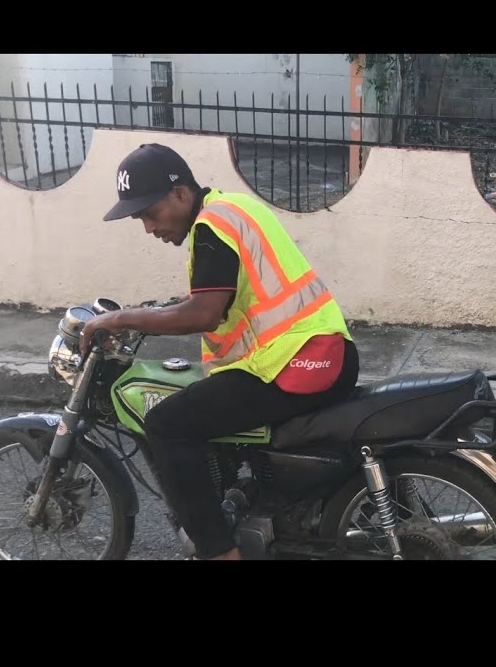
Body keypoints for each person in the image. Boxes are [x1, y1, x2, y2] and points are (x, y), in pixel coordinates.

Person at [78, 143, 359, 561]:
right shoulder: (230, 210)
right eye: (140, 218)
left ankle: (218, 551)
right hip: (303, 354)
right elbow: (221, 299)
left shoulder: (213, 225)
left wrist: (121, 320)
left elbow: (205, 313)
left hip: (301, 358)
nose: (149, 228)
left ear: (180, 193)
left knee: (168, 424)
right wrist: (159, 312)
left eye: (149, 214)